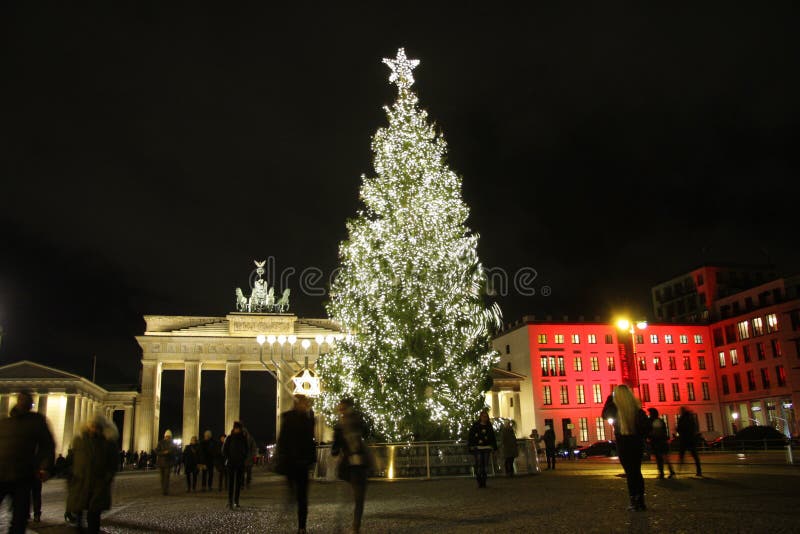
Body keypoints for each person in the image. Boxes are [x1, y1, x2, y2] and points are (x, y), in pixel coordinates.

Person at [0, 391, 55, 534]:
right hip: (10, 473)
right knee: (19, 516)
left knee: (20, 517)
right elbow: (48, 446)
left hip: (21, 474)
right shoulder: (7, 422)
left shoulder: (34, 422)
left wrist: (44, 467)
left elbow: (47, 446)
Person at [65, 415, 119, 534]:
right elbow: (72, 459)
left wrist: (107, 477)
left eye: (96, 426)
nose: (93, 428)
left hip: (98, 483)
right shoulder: (79, 441)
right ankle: (79, 527)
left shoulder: (108, 444)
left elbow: (113, 463)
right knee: (79, 510)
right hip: (81, 481)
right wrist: (71, 475)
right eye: (91, 426)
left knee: (94, 513)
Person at [602, 387, 650, 511]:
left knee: (630, 473)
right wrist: (641, 437)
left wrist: (609, 398)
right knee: (637, 472)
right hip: (637, 443)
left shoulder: (616, 411)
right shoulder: (637, 410)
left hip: (624, 444)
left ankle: (634, 501)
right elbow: (646, 427)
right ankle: (640, 501)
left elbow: (604, 414)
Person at [277, 395, 316, 534]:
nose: (305, 405)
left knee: (302, 496)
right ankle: (292, 506)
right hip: (292, 462)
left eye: (306, 403)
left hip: (302, 463)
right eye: (303, 403)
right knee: (296, 492)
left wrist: (312, 459)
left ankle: (301, 526)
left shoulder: (309, 419)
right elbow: (282, 440)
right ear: (297, 404)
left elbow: (311, 441)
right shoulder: (289, 419)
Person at [332, 397, 370, 533]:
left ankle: (351, 525)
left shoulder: (340, 426)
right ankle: (355, 526)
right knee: (358, 498)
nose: (341, 411)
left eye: (342, 408)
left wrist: (336, 450)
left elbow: (335, 449)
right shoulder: (358, 420)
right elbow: (367, 433)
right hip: (356, 464)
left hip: (350, 465)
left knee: (352, 497)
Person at [467, 410, 497, 488]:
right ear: (480, 417)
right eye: (483, 416)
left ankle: (484, 481)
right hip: (478, 447)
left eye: (486, 417)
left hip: (486, 447)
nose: (485, 418)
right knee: (479, 464)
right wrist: (471, 445)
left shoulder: (489, 426)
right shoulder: (476, 426)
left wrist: (494, 447)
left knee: (485, 465)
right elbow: (471, 436)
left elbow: (492, 437)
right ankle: (479, 480)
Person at [222, 422, 249, 509]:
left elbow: (247, 450)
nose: (236, 429)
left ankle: (236, 501)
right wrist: (228, 458)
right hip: (231, 463)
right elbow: (225, 449)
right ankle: (230, 500)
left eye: (238, 428)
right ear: (233, 428)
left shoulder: (243, 438)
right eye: (235, 428)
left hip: (240, 463)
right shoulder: (229, 438)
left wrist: (244, 458)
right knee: (231, 483)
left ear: (240, 429)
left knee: (238, 483)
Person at [647, 408, 675, 479]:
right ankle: (670, 471)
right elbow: (664, 431)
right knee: (664, 457)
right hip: (662, 441)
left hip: (657, 442)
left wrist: (650, 436)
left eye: (650, 413)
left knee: (659, 458)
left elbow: (655, 432)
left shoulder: (653, 421)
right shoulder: (660, 421)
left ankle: (662, 473)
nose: (649, 415)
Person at [677, 406, 702, 477]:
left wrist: (679, 431)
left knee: (682, 455)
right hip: (691, 439)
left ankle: (679, 470)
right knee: (695, 456)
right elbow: (695, 427)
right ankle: (699, 471)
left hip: (685, 439)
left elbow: (679, 428)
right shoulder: (691, 418)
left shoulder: (682, 419)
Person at [155, 430, 176, 495]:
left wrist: (169, 452)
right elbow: (156, 451)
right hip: (161, 462)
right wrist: (163, 452)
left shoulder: (172, 444)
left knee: (166, 477)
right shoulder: (160, 442)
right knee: (162, 477)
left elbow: (173, 451)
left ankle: (165, 490)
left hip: (168, 463)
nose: (168, 437)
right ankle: (163, 489)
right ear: (165, 436)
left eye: (169, 436)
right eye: (167, 436)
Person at [243, 425, 258, 489]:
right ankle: (242, 483)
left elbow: (254, 448)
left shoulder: (250, 439)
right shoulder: (239, 439)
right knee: (241, 473)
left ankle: (248, 483)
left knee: (249, 472)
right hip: (242, 459)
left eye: (244, 432)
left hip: (249, 458)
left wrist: (253, 455)